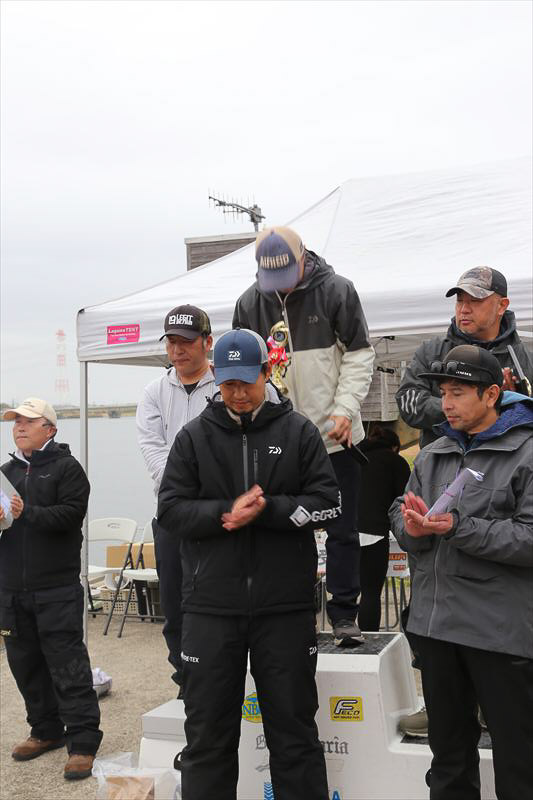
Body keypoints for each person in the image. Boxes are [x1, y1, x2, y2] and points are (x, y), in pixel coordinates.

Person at [158, 328, 340, 800]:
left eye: (247, 381)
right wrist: (225, 514)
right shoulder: (193, 437)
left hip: (284, 609)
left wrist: (269, 510)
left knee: (294, 734)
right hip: (210, 609)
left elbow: (329, 503)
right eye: (228, 383)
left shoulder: (298, 431)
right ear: (216, 377)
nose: (238, 393)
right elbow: (170, 511)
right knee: (207, 737)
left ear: (266, 373)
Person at [389, 346, 533, 800]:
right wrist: (411, 527)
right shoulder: (432, 452)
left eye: (458, 393)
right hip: (436, 630)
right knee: (448, 760)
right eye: (443, 393)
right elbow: (400, 509)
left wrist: (458, 527)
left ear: (492, 394)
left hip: (499, 636)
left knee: (519, 761)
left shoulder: (526, 452)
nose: (446, 404)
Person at [233, 226, 374, 645]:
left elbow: (359, 355)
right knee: (285, 527)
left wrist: (344, 409)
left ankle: (344, 614)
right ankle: (294, 611)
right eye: (271, 277)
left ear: (302, 258)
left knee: (342, 531)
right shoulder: (249, 302)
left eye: (286, 275)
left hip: (335, 437)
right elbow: (246, 371)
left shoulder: (337, 291)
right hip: (280, 441)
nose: (280, 285)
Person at [0, 398, 103, 780]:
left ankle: (83, 743)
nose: (19, 427)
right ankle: (45, 730)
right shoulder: (6, 472)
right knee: (24, 666)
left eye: (28, 421)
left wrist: (26, 512)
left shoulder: (67, 468)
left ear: (50, 428)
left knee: (68, 667)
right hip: (11, 589)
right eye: (16, 421)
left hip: (55, 588)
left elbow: (71, 516)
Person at [136, 304, 215, 691]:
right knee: (173, 601)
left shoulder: (224, 384)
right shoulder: (154, 392)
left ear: (207, 342)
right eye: (171, 342)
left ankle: (220, 673)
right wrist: (181, 487)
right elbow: (152, 449)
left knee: (216, 596)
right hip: (171, 514)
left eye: (185, 341)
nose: (177, 350)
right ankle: (184, 676)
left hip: (216, 512)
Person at [396, 266, 533, 449]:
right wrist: (468, 409)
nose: (464, 309)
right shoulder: (431, 351)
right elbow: (408, 402)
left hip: (508, 461)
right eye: (459, 301)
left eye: (475, 301)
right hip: (444, 461)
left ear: (502, 305)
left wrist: (513, 402)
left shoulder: (524, 360)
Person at [357, 426, 410, 631]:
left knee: (344, 592)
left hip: (344, 532)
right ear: (394, 446)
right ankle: (368, 638)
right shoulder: (395, 462)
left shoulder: (354, 457)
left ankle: (342, 632)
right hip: (375, 532)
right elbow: (404, 498)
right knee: (370, 592)